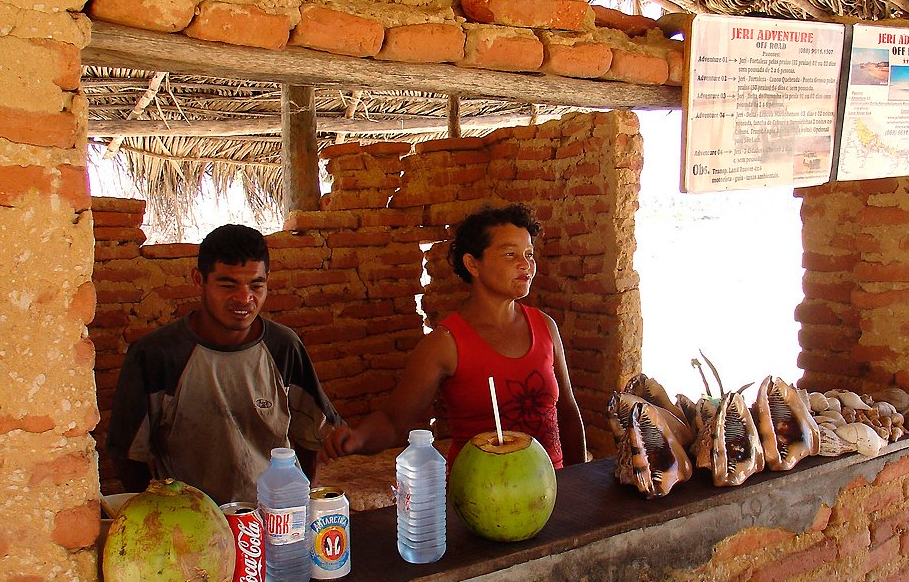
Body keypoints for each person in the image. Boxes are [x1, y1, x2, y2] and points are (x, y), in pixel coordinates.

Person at [325, 203, 586, 469]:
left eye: (529, 254)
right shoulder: (445, 344)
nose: (525, 265)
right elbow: (393, 421)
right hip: (477, 497)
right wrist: (358, 439)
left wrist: (578, 479)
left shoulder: (545, 326)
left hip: (550, 490)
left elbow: (567, 411)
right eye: (510, 254)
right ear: (473, 264)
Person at [106, 224, 344, 505]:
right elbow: (126, 455)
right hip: (191, 520)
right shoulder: (158, 355)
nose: (244, 299)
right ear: (199, 279)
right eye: (227, 285)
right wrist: (159, 512)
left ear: (269, 279)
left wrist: (301, 502)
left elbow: (312, 434)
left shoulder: (283, 347)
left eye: (256, 286)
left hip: (272, 515)